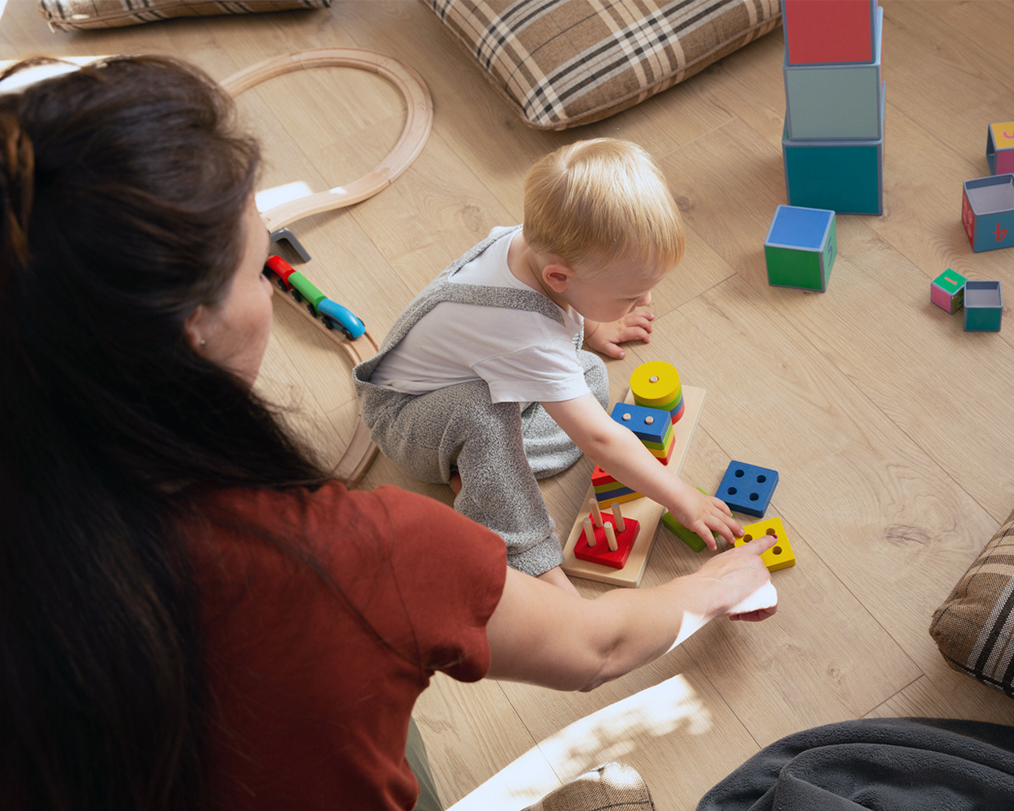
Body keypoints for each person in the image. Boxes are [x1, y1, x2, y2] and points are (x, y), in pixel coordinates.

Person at [0, 55, 778, 811]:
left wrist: (584, 329)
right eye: (257, 266)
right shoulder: (357, 553)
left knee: (575, 391)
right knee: (509, 426)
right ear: (194, 328)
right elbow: (592, 648)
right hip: (418, 419)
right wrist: (712, 584)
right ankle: (524, 541)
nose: (270, 283)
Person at [355, 139, 743, 595]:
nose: (646, 301)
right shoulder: (527, 335)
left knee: (591, 373)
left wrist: (595, 329)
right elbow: (600, 441)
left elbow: (566, 308)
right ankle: (525, 553)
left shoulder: (530, 244)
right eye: (630, 294)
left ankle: (483, 476)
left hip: (472, 388)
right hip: (408, 421)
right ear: (560, 277)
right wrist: (680, 498)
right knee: (499, 417)